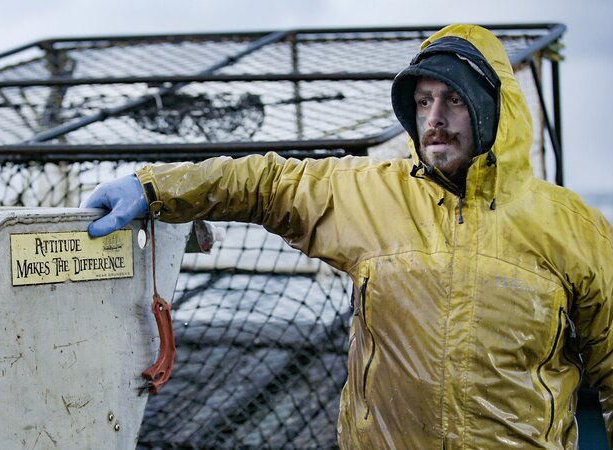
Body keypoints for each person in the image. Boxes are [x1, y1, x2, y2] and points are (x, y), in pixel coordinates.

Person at [83, 24, 612, 448]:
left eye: (453, 100)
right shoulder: (370, 194)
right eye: (424, 102)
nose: (434, 119)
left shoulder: (574, 228)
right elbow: (267, 183)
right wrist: (154, 188)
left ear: (491, 108)